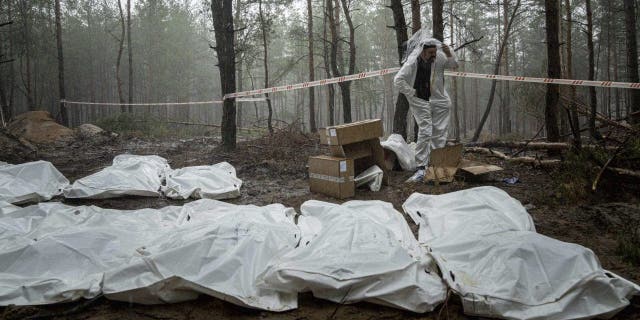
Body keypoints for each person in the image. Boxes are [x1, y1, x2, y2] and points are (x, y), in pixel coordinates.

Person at [394, 35, 458, 182]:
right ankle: (421, 167)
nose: (433, 56)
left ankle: (434, 164)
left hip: (437, 98)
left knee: (439, 132)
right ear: (422, 52)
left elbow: (454, 65)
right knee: (426, 129)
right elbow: (398, 80)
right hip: (419, 99)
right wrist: (412, 92)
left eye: (434, 53)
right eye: (430, 53)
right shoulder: (412, 63)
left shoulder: (439, 58)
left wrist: (448, 53)